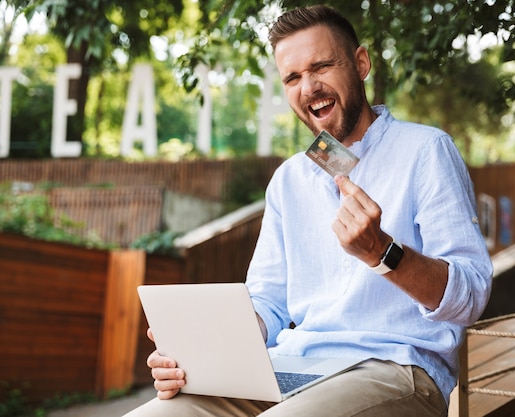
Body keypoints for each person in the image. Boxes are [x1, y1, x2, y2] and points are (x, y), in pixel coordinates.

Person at [124, 5, 492, 417]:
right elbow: (268, 302)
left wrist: (383, 253)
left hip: (396, 367)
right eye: (293, 77)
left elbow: (471, 297)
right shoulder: (288, 180)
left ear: (361, 64)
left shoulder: (426, 150)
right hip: (294, 367)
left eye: (322, 66)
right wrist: (201, 348)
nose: (309, 87)